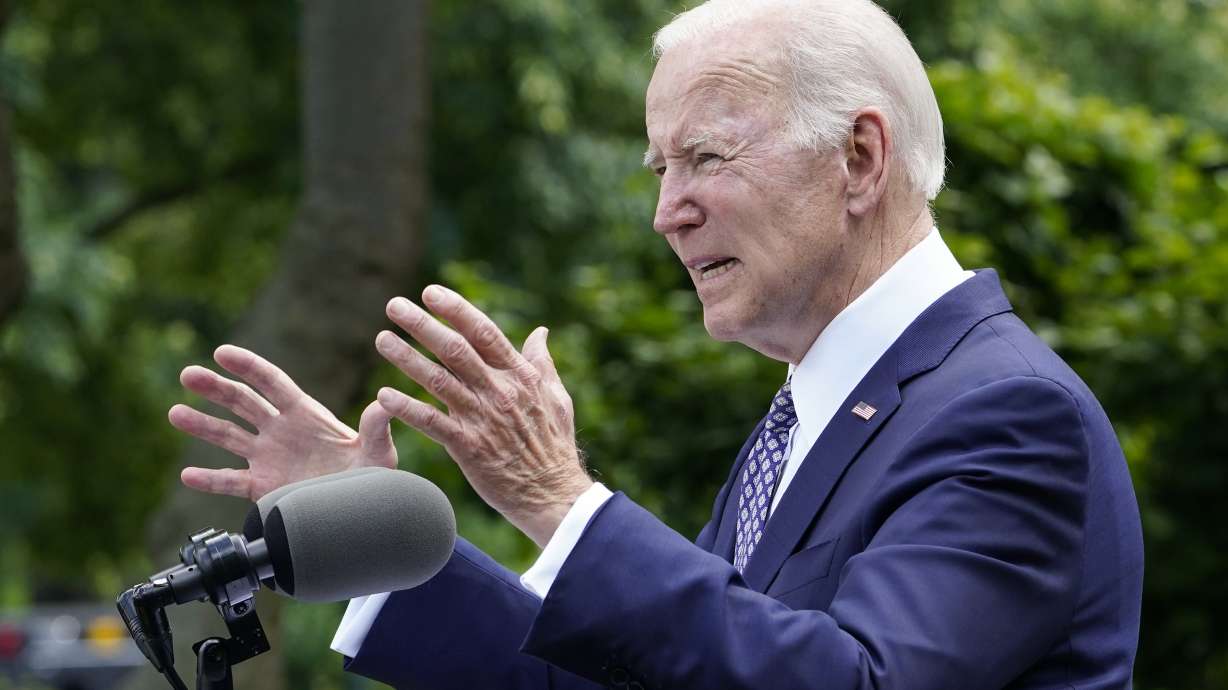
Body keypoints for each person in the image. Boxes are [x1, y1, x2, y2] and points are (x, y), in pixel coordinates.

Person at [169, 1, 1144, 688]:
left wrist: (561, 502)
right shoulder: (812, 414)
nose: (666, 214)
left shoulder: (1007, 415)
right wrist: (372, 538)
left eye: (706, 157)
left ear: (859, 158)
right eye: (659, 166)